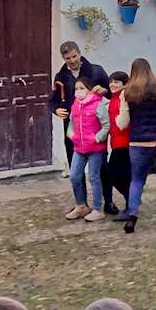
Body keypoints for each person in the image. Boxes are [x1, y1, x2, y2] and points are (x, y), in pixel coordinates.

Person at [48, 41, 117, 214]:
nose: (71, 61)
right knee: (75, 170)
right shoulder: (60, 76)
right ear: (63, 58)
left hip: (95, 128)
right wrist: (56, 110)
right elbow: (52, 100)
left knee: (101, 169)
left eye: (74, 56)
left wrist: (105, 91)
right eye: (67, 58)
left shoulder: (96, 70)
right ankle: (82, 204)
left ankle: (107, 202)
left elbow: (113, 92)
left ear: (79, 53)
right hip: (73, 130)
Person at [116, 58, 156, 234]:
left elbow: (123, 123)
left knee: (136, 180)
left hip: (137, 144)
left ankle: (132, 216)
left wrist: (116, 119)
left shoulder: (126, 93)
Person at [65, 76, 110, 222]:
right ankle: (81, 206)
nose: (78, 91)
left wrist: (96, 138)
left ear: (89, 89)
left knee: (93, 177)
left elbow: (106, 125)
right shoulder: (75, 105)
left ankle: (98, 209)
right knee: (75, 176)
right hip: (79, 148)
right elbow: (71, 124)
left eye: (82, 88)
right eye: (76, 89)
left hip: (96, 149)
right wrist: (72, 135)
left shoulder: (98, 104)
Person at [106, 71, 132, 214]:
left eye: (116, 82)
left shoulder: (124, 98)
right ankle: (131, 203)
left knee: (116, 176)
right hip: (116, 143)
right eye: (111, 81)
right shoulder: (114, 98)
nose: (112, 84)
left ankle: (131, 202)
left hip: (124, 143)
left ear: (125, 84)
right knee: (120, 176)